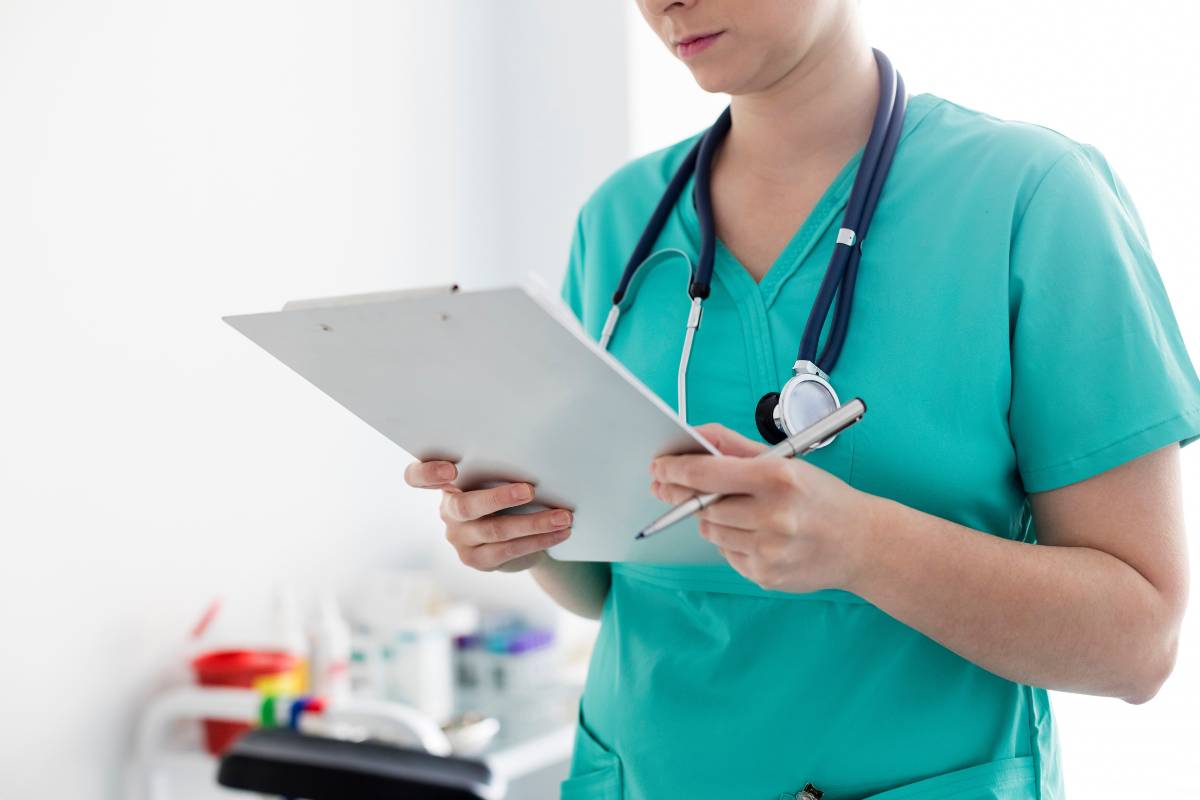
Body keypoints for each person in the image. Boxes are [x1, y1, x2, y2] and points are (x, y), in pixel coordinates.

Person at [405, 1, 1200, 797]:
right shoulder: (621, 220)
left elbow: (1138, 644)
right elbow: (608, 592)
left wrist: (859, 543)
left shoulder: (1031, 198)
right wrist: (526, 535)